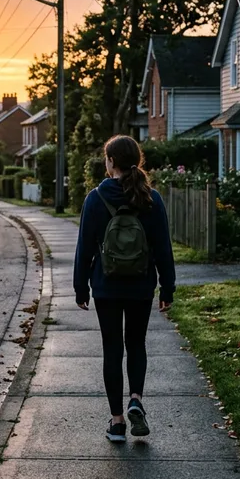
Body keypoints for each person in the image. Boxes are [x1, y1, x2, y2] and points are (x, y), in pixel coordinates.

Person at [73, 134, 175, 442]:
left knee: (112, 350)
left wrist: (81, 288)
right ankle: (136, 400)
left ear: (111, 161)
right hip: (141, 286)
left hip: (106, 287)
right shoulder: (150, 198)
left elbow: (84, 249)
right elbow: (162, 248)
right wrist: (167, 288)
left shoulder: (95, 198)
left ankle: (117, 422)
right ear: (137, 160)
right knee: (136, 344)